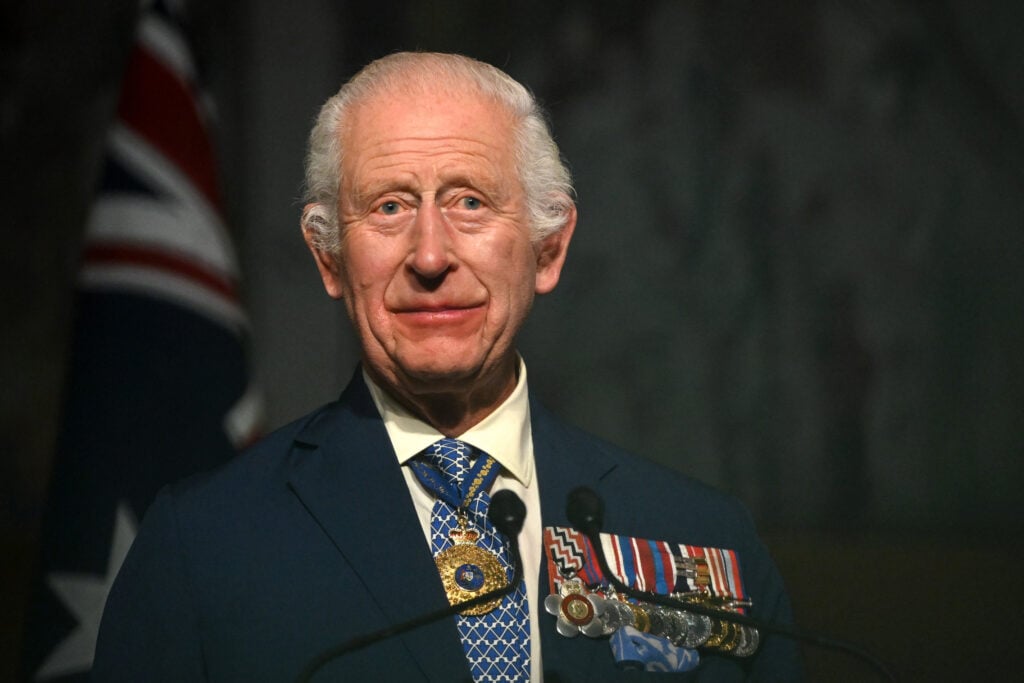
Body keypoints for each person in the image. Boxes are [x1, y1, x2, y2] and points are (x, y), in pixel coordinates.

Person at [94, 52, 803, 682]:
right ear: (329, 259)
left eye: (470, 201)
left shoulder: (702, 536)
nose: (430, 255)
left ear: (548, 249)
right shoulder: (204, 544)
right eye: (390, 205)